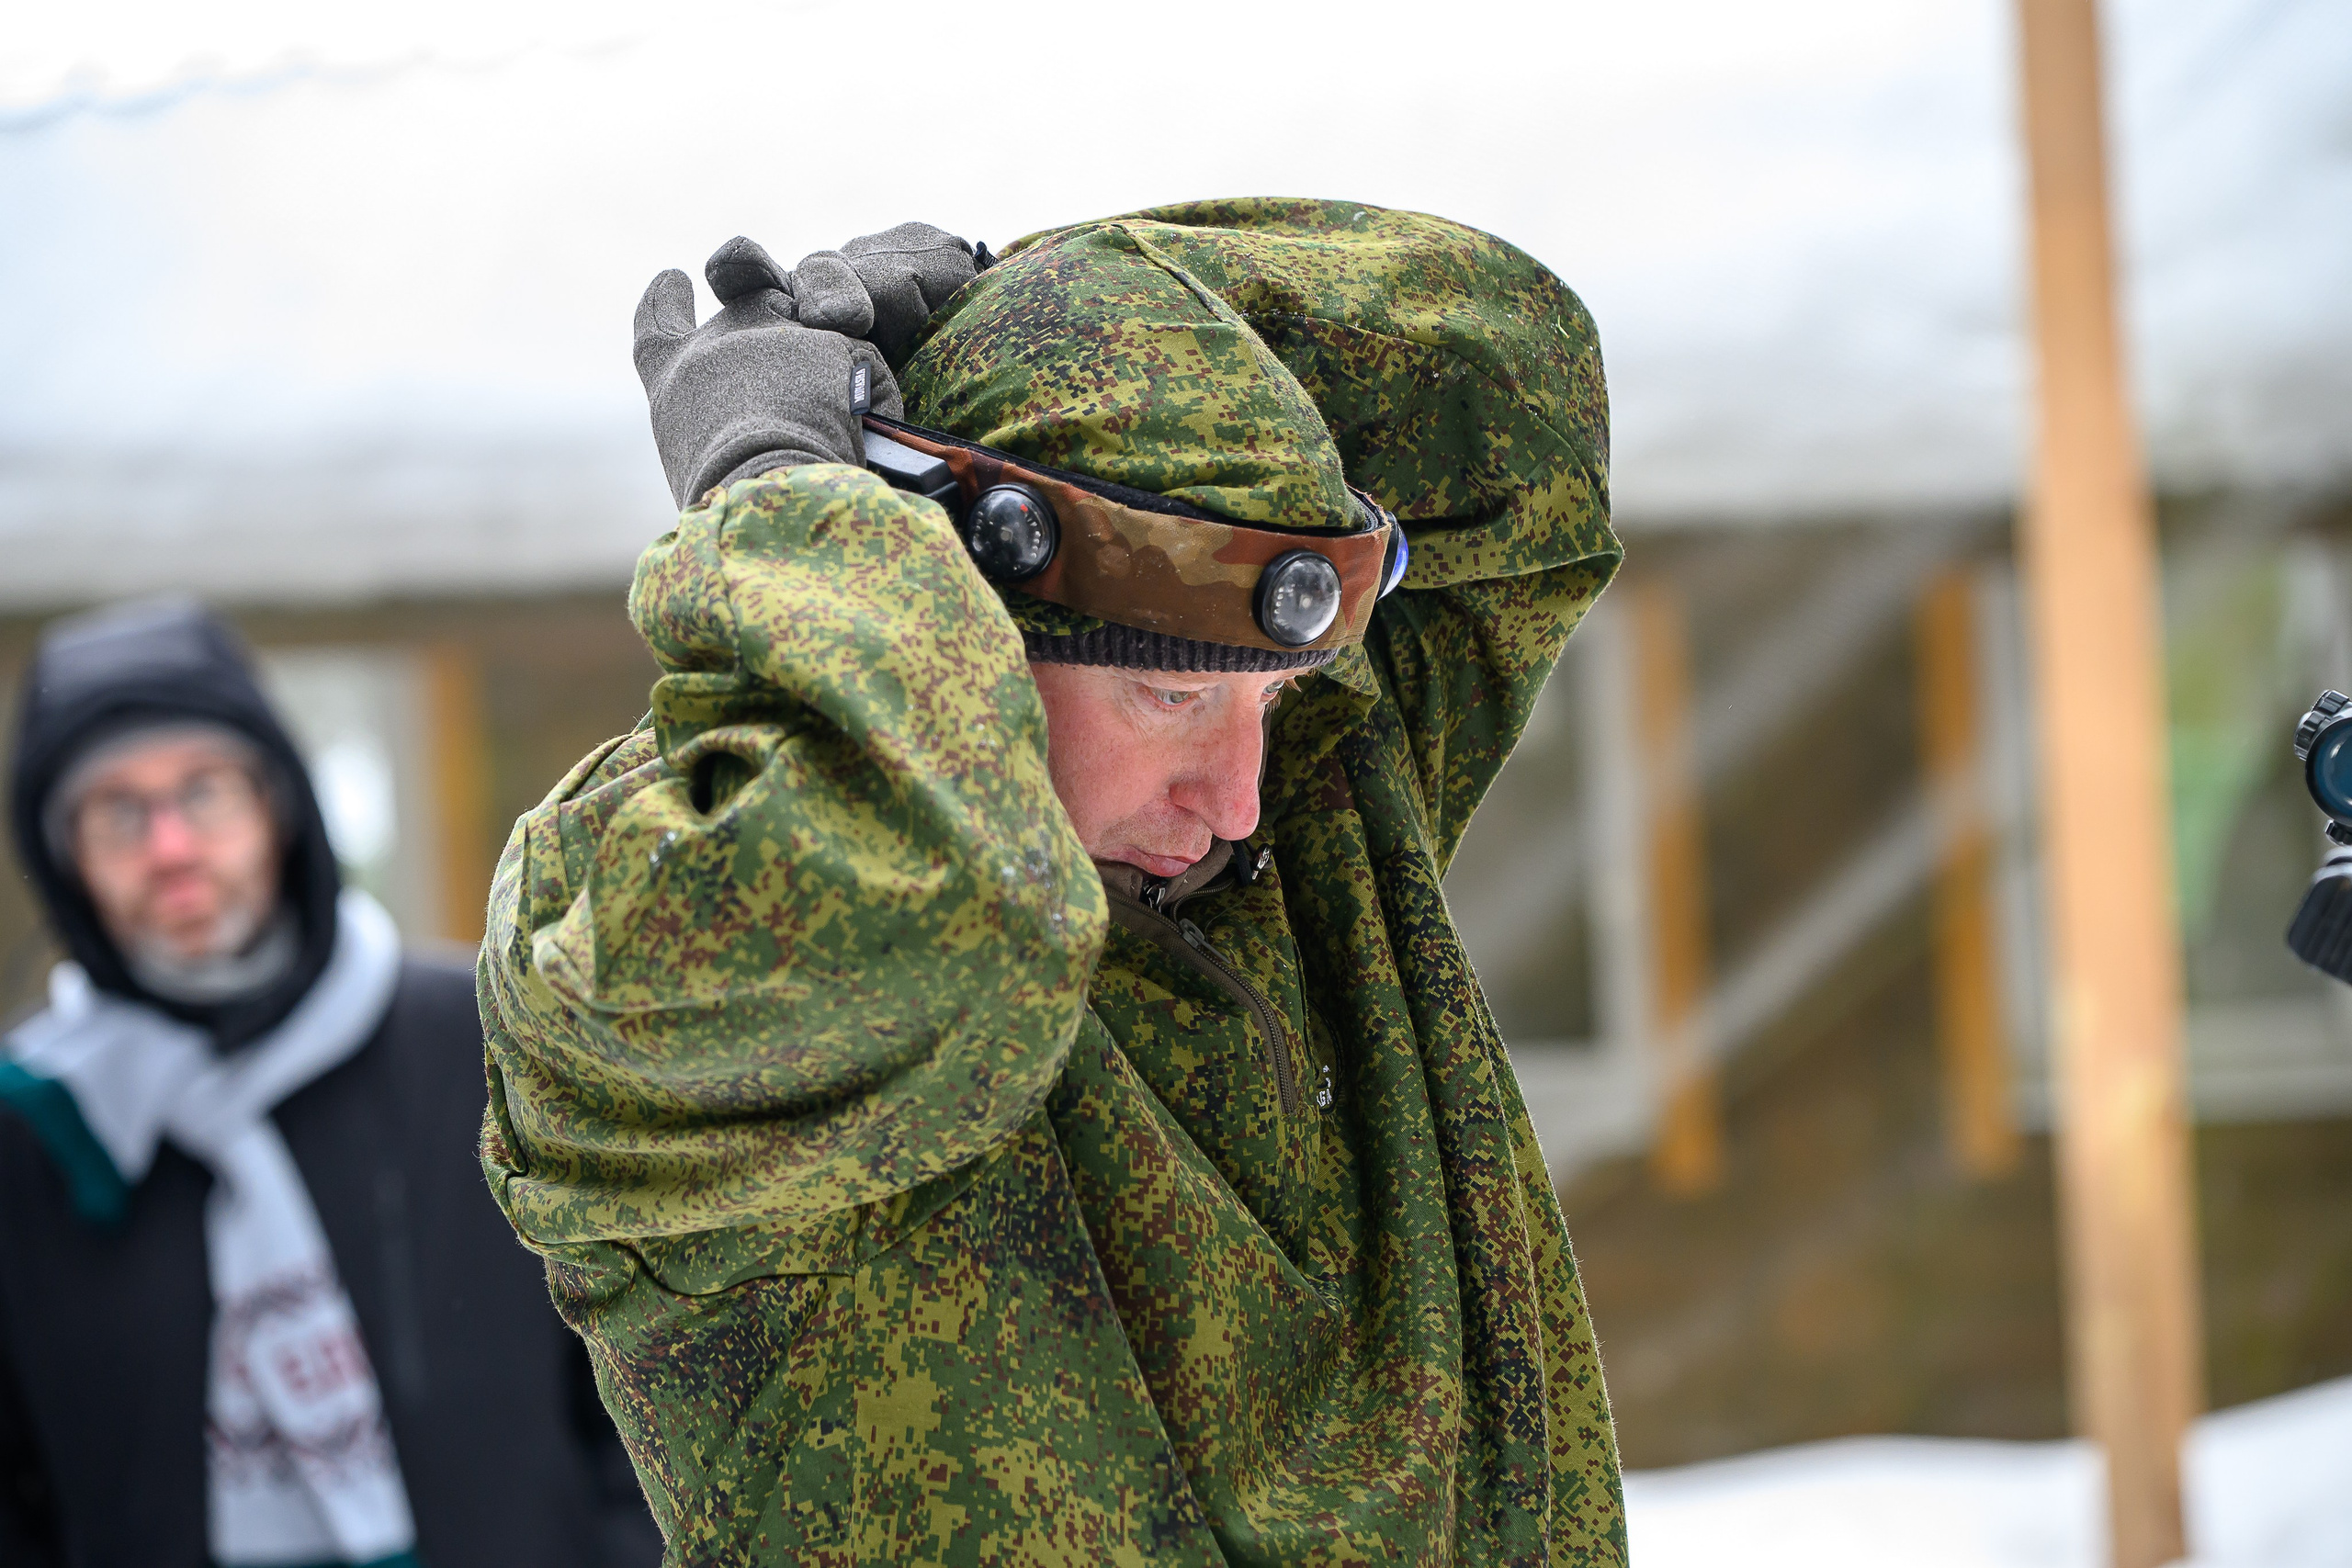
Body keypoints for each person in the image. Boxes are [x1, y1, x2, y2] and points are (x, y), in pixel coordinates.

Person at [480, 199, 1627, 1564]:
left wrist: (1050, 297)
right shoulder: (621, 909)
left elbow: (1519, 386)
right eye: (1169, 696)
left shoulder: (1314, 826)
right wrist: (780, 492)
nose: (1237, 792)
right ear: (961, 610)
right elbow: (942, 915)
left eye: (1273, 696)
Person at [0, 598, 660, 1568]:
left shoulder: (484, 1042)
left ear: (280, 806)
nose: (170, 849)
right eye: (117, 812)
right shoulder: (32, 1130)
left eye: (205, 792)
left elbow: (640, 1380)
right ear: (63, 857)